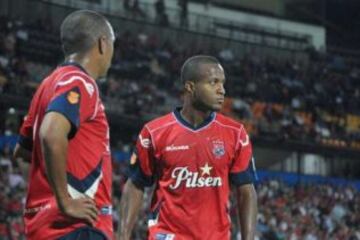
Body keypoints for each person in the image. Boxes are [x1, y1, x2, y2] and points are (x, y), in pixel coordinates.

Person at [119, 55, 258, 240]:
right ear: (190, 87)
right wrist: (122, 236)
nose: (222, 90)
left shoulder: (236, 134)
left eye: (222, 84)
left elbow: (246, 190)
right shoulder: (154, 132)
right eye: (213, 82)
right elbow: (135, 184)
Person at [13, 10, 115, 240]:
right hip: (77, 227)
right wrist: (65, 201)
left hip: (44, 228)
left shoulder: (47, 85)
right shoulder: (80, 82)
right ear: (102, 43)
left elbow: (22, 152)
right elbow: (50, 134)